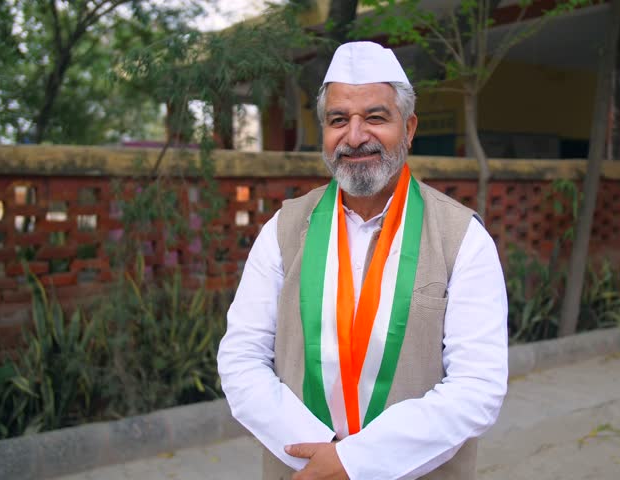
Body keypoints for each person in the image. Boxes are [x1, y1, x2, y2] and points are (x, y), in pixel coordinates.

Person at [217, 41, 508, 480]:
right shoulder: (284, 229)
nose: (355, 137)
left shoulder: (461, 237)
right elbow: (241, 357)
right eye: (338, 120)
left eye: (375, 117)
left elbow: (477, 387)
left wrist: (356, 462)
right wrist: (319, 457)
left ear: (408, 128)